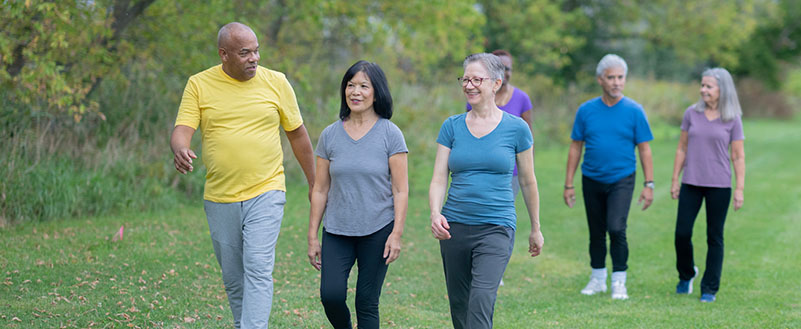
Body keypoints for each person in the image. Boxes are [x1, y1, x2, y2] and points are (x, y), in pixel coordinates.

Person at [170, 22, 315, 329]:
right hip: (220, 196)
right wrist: (180, 148)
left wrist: (315, 182)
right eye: (245, 52)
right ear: (224, 54)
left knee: (258, 267)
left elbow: (298, 136)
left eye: (257, 50)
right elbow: (183, 128)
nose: (255, 58)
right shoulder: (199, 84)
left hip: (267, 189)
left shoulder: (276, 82)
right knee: (234, 278)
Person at [429, 53, 544, 329]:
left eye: (477, 79)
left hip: (496, 227)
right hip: (453, 226)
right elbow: (438, 178)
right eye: (465, 79)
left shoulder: (517, 129)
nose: (469, 85)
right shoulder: (451, 126)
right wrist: (435, 213)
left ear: (496, 83)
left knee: (480, 300)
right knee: (459, 305)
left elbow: (528, 181)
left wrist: (535, 227)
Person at [307, 60, 408, 328]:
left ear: (377, 92)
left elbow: (400, 189)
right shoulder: (330, 135)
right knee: (330, 296)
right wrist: (312, 235)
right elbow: (320, 188)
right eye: (350, 85)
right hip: (337, 229)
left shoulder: (390, 134)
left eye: (364, 86)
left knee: (366, 301)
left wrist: (396, 234)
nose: (356, 92)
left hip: (378, 230)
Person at [563, 54, 654, 300]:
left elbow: (644, 148)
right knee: (596, 231)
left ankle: (619, 281)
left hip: (622, 179)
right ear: (600, 80)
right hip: (591, 178)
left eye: (620, 77)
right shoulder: (586, 110)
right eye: (611, 77)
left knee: (616, 228)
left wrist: (649, 184)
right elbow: (575, 147)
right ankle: (598, 278)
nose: (616, 82)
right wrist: (568, 184)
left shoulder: (635, 111)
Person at [670, 67, 745, 303]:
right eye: (702, 85)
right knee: (682, 233)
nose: (703, 90)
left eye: (708, 86)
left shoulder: (733, 119)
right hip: (691, 181)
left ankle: (709, 289)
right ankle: (687, 274)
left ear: (722, 90)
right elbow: (682, 147)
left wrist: (740, 189)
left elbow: (738, 156)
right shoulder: (691, 114)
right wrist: (675, 179)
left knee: (714, 236)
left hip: (719, 184)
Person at [465, 49, 534, 287]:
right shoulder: (473, 97)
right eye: (501, 68)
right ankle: (481, 259)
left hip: (511, 171)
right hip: (481, 170)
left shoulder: (522, 99)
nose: (506, 72)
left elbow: (528, 137)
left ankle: (495, 264)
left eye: (509, 68)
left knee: (501, 215)